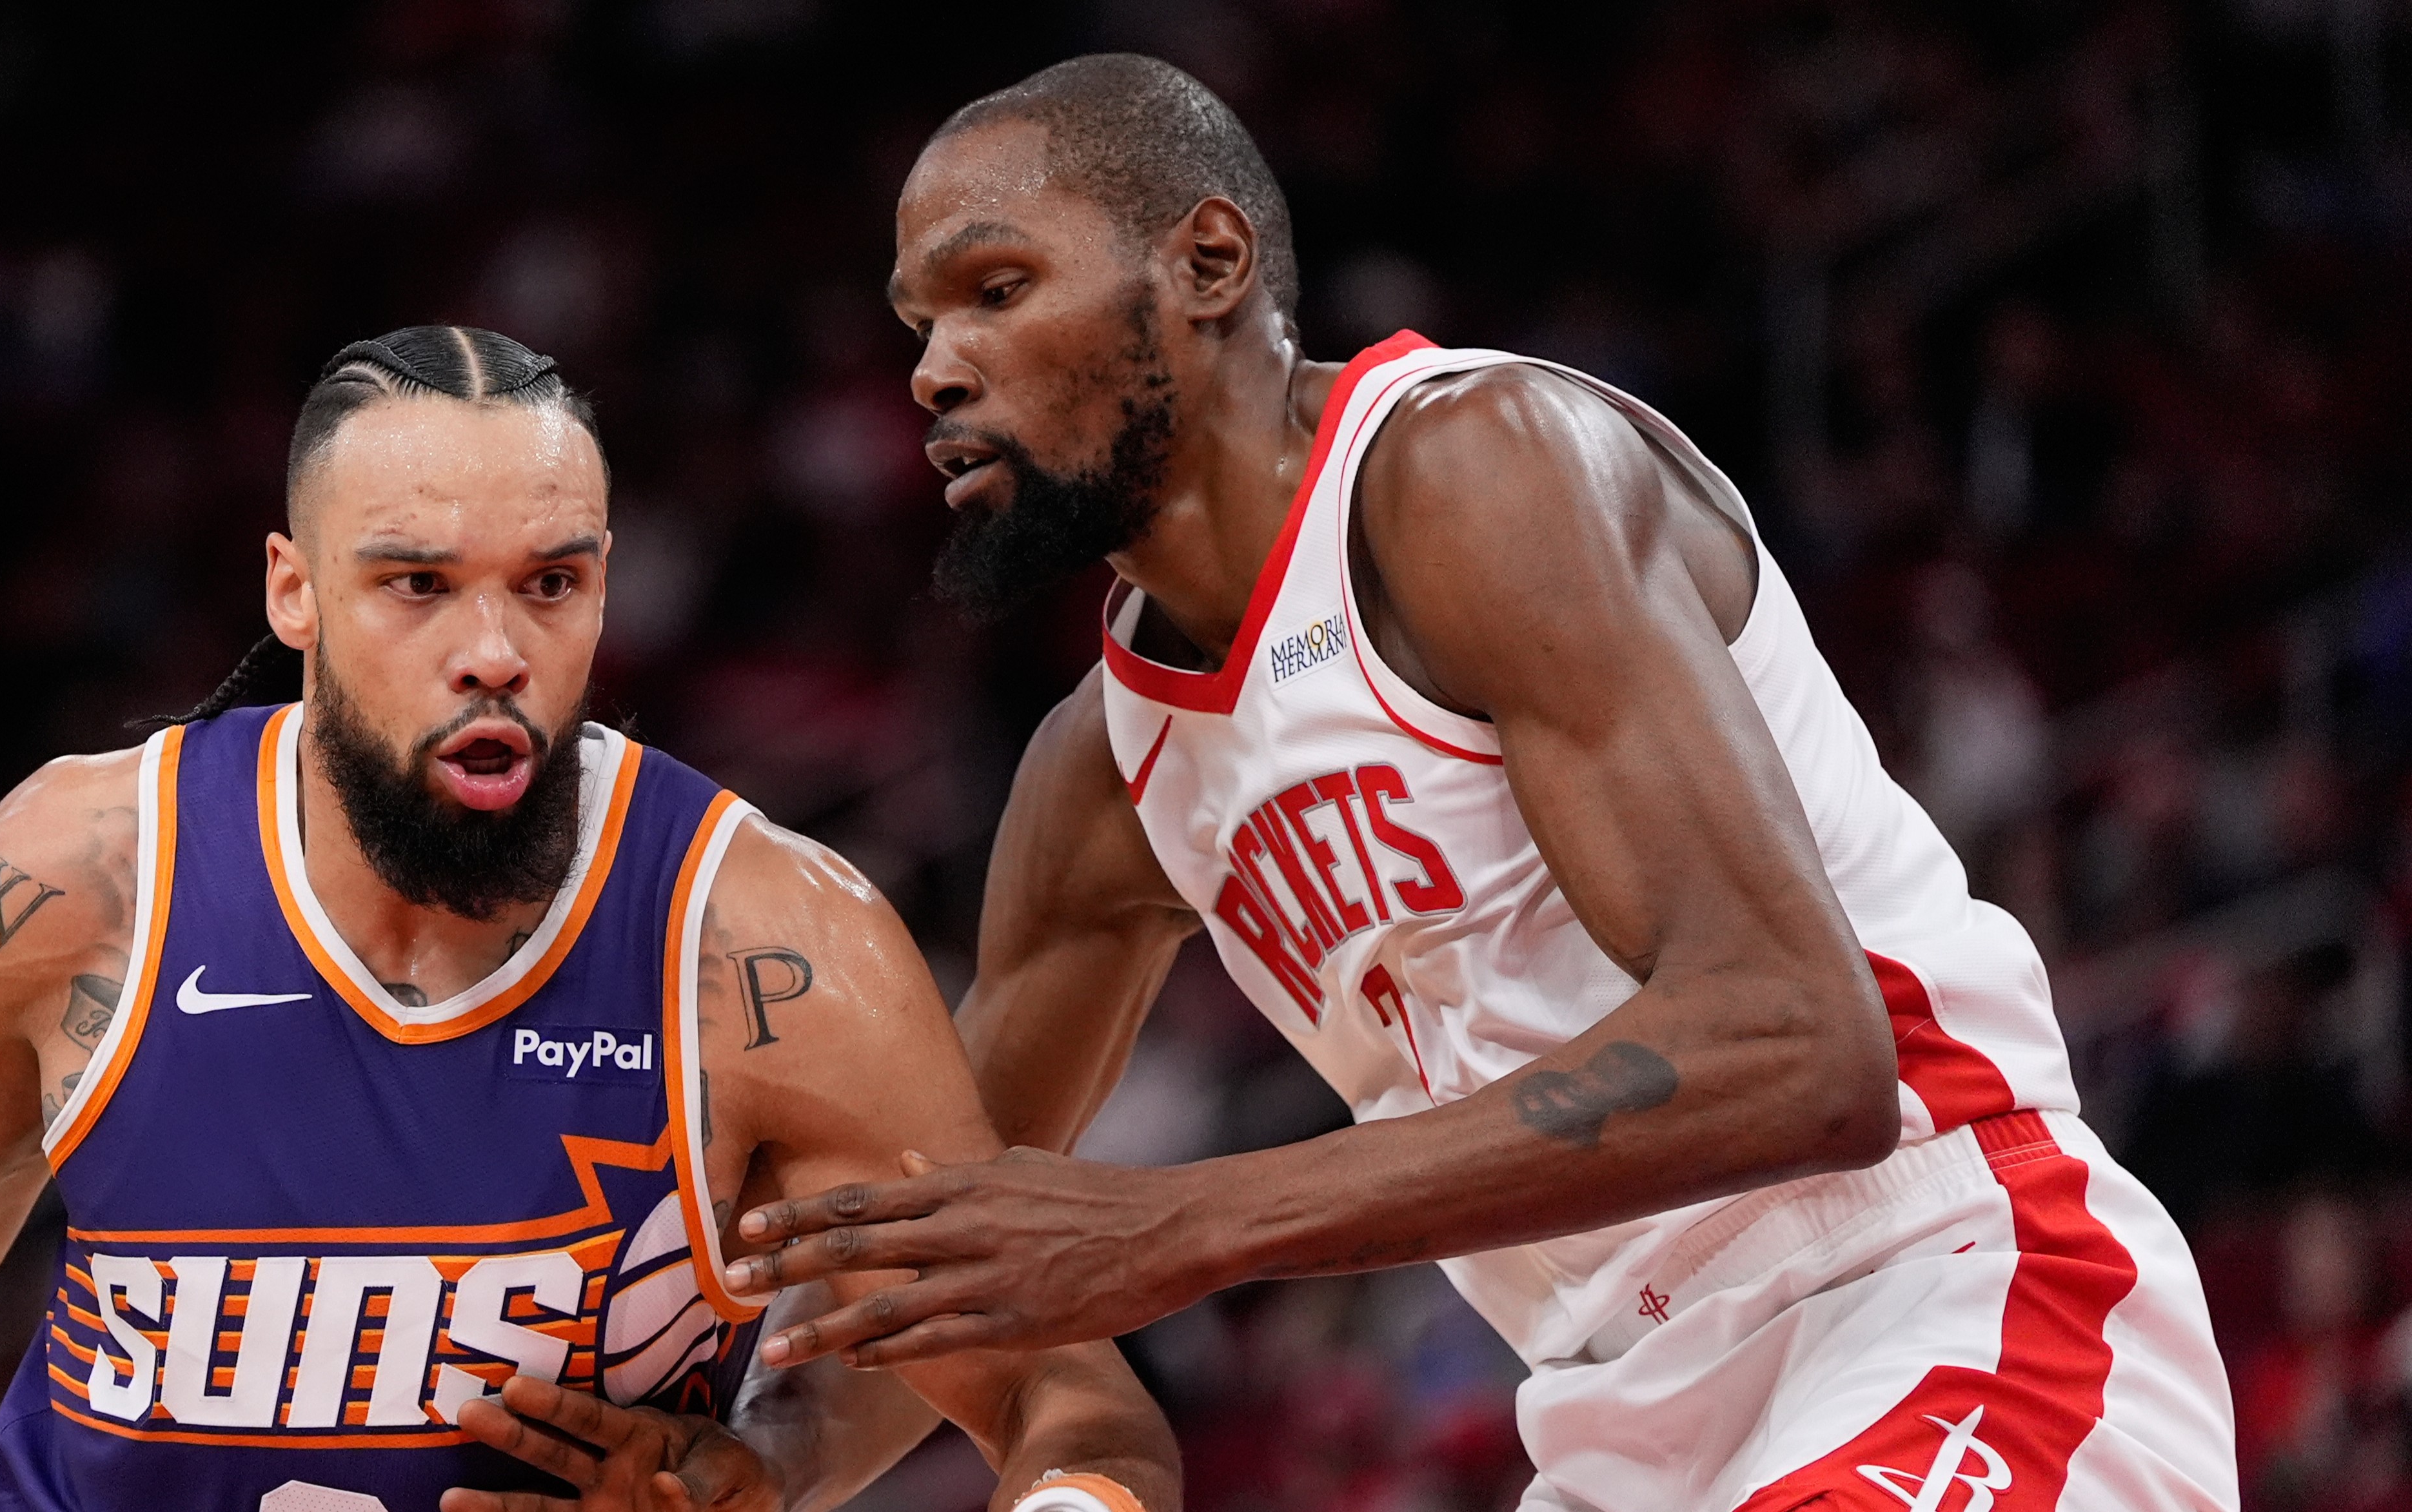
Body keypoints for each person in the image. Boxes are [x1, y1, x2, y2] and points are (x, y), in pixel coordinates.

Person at [724, 55, 2240, 1512]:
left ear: (1206, 263)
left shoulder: (1469, 471)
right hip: (1615, 1422)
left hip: (1933, 1281)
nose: (934, 370)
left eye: (996, 292)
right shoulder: (1104, 778)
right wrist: (745, 1468)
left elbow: (1801, 1052)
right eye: (917, 324)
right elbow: (941, 1254)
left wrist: (1182, 1226)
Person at [0, 326, 1178, 1512]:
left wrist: (783, 1468)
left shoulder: (766, 951)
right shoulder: (88, 868)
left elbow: (1075, 1409)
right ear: (293, 592)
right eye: (417, 585)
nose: (494, 653)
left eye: (552, 585)